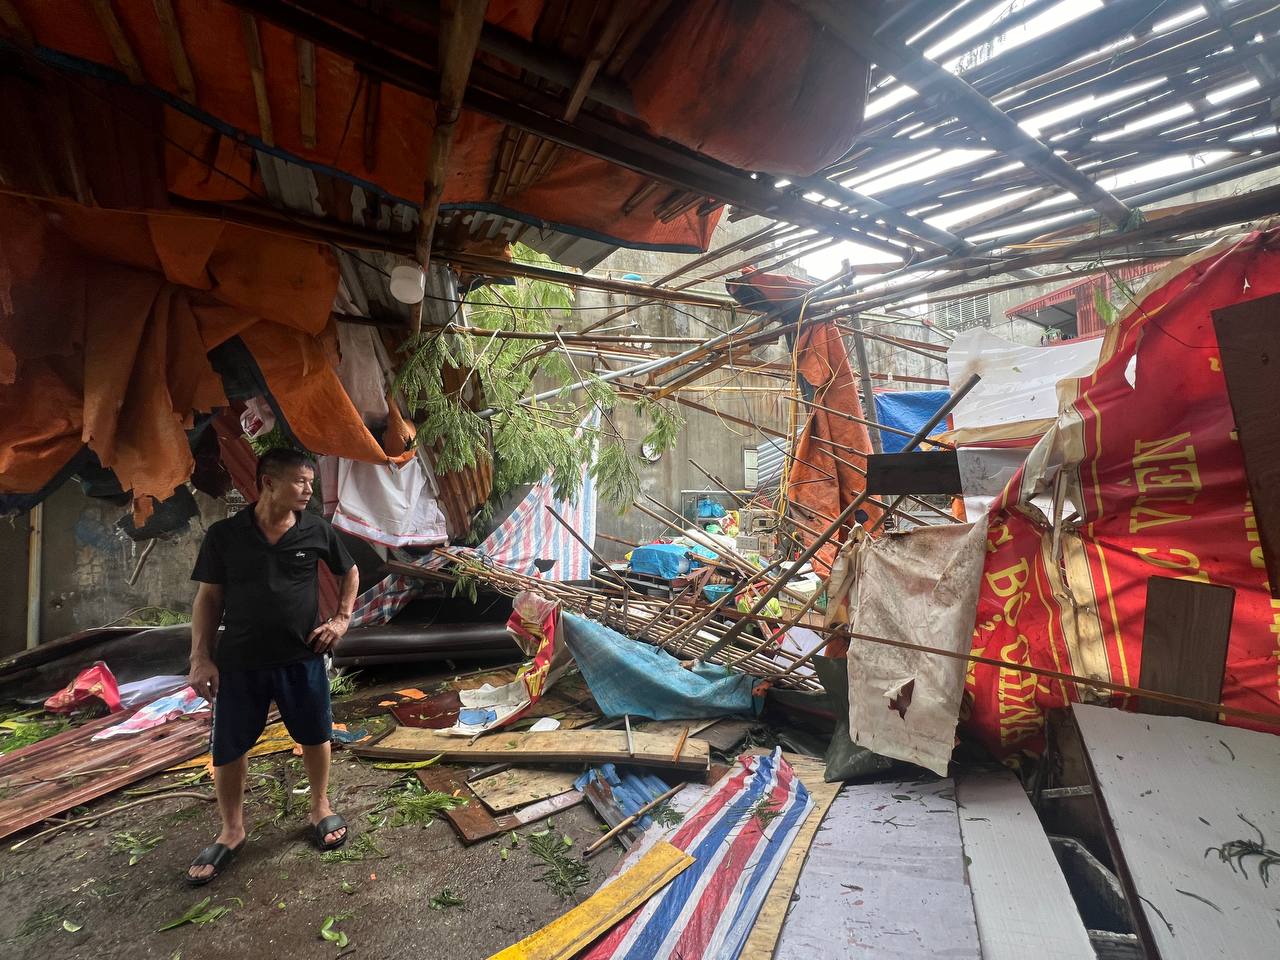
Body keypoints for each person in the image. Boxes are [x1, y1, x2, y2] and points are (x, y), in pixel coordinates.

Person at [185, 448, 360, 885]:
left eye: (311, 483)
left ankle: (320, 805)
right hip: (240, 661)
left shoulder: (316, 529)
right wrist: (200, 656)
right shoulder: (225, 535)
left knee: (316, 733)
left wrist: (341, 619)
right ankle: (232, 830)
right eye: (300, 481)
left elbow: (350, 571)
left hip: (301, 656)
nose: (309, 490)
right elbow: (208, 598)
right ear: (267, 482)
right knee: (228, 746)